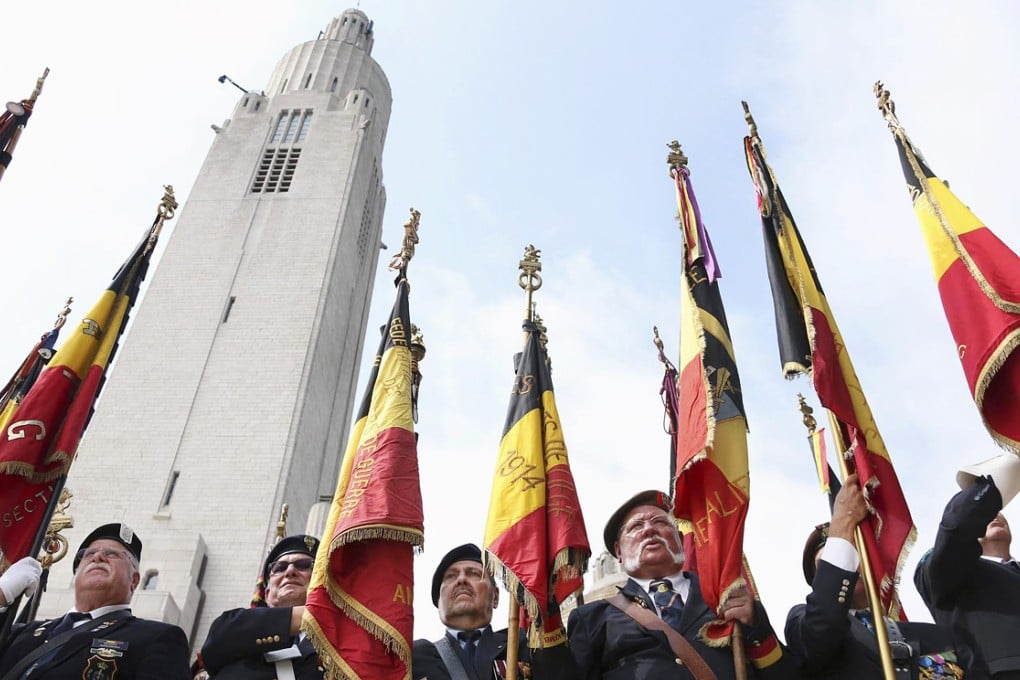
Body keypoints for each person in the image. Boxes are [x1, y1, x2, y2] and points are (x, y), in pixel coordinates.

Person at [567, 490, 795, 679]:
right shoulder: (592, 620)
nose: (649, 529)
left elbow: (784, 674)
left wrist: (755, 626)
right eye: (635, 527)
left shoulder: (726, 597)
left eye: (660, 522)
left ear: (679, 537)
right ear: (618, 551)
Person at [786, 474, 977, 678]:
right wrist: (844, 523)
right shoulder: (802, 624)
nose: (852, 566)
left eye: (857, 555)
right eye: (828, 564)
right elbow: (822, 625)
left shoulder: (941, 637)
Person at [0, 522, 191, 679]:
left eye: (112, 554)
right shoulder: (22, 633)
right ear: (77, 574)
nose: (98, 556)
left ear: (134, 580)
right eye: (88, 554)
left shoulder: (155, 637)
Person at [915, 468, 1020, 679]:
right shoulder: (943, 568)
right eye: (989, 512)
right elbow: (957, 526)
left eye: (999, 511)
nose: (996, 514)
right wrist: (991, 486)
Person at [412, 543, 571, 680]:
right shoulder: (414, 657)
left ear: (495, 596)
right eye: (450, 576)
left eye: (474, 573)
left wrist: (542, 593)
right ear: (439, 602)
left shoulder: (524, 645)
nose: (461, 579)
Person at [201, 534, 324, 679]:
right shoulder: (230, 628)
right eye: (280, 567)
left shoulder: (340, 641)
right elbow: (214, 646)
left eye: (304, 565)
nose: (290, 571)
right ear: (267, 593)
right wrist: (318, 615)